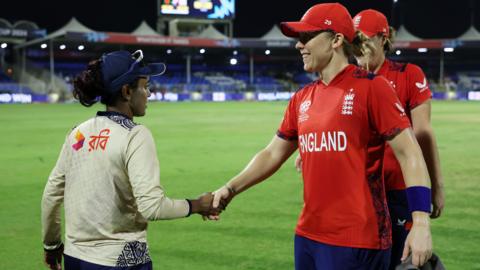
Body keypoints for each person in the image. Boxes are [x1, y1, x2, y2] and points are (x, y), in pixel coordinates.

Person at [209, 3, 433, 270]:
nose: (298, 45)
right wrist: (231, 188)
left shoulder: (373, 89)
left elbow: (410, 154)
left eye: (306, 37)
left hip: (358, 239)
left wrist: (420, 222)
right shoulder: (301, 98)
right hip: (308, 235)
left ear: (336, 40)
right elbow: (272, 153)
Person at [292, 9, 445, 270]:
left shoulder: (404, 75)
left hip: (396, 190)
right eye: (357, 36)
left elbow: (421, 135)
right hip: (359, 192)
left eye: (367, 37)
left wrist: (436, 186)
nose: (361, 43)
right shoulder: (346, 80)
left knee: (404, 259)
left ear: (383, 39)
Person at [41, 50, 221, 270]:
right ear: (127, 91)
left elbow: (51, 195)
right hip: (121, 261)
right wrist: (197, 205)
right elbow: (152, 207)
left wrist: (51, 246)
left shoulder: (77, 134)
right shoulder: (135, 134)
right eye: (145, 87)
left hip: (74, 258)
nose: (149, 93)